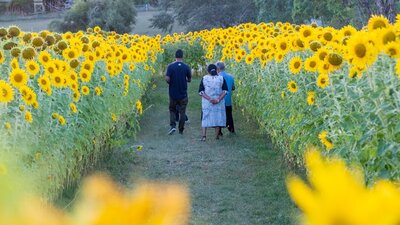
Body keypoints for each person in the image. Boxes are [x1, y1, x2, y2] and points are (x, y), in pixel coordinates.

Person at [199, 64, 228, 141]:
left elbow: (201, 92)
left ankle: (204, 136)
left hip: (207, 102)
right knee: (218, 117)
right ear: (217, 70)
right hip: (219, 102)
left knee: (205, 118)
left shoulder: (204, 78)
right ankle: (216, 136)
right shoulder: (221, 78)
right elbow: (225, 91)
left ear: (207, 71)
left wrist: (209, 99)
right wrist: (218, 99)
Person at [166, 49, 192, 135]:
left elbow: (167, 79)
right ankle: (181, 130)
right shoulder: (186, 67)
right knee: (182, 111)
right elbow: (189, 79)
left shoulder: (170, 66)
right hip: (183, 94)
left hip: (173, 93)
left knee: (172, 109)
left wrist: (171, 82)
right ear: (182, 56)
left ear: (175, 56)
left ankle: (173, 126)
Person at [216, 61, 235, 134]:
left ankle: (219, 131)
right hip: (228, 100)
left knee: (219, 116)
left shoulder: (217, 77)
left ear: (218, 68)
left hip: (220, 100)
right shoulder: (231, 76)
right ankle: (231, 129)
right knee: (229, 115)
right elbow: (233, 88)